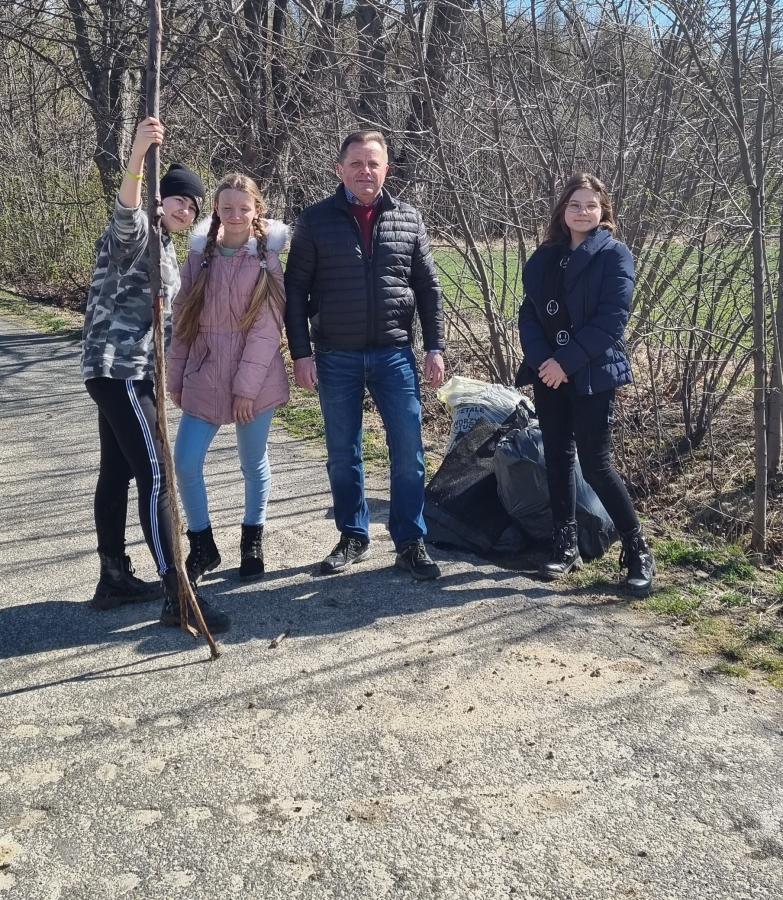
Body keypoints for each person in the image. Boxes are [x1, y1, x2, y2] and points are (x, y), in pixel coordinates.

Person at [81, 116, 229, 632]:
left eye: (193, 206)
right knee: (158, 475)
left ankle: (113, 577)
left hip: (127, 372)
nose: (185, 210)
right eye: (178, 200)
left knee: (118, 471)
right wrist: (140, 152)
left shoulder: (166, 244)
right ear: (159, 198)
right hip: (119, 369)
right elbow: (126, 209)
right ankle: (177, 593)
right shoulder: (142, 230)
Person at [284, 130, 446, 580]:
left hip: (395, 354)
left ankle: (410, 541)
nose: (365, 172)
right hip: (335, 354)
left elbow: (428, 289)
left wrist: (435, 347)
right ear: (340, 170)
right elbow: (295, 291)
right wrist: (300, 353)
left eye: (373, 163)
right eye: (356, 164)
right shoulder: (315, 221)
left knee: (409, 451)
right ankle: (353, 535)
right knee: (343, 452)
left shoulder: (408, 219)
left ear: (386, 169)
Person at [517, 173, 655, 596]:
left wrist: (565, 362)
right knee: (556, 457)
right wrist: (543, 361)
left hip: (593, 373)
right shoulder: (545, 257)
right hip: (548, 373)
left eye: (591, 205)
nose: (582, 212)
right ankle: (565, 544)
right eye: (575, 205)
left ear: (603, 211)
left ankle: (637, 549)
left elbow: (612, 321)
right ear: (563, 210)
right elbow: (528, 313)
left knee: (595, 464)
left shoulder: (614, 255)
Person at [167, 174, 289, 583]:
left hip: (255, 381)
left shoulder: (267, 260)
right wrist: (176, 377)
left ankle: (252, 539)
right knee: (186, 462)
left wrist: (245, 390)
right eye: (227, 208)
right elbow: (183, 322)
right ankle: (203, 546)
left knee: (252, 462)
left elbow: (267, 331)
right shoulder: (200, 257)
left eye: (243, 208)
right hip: (204, 375)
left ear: (257, 211)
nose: (235, 215)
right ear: (216, 211)